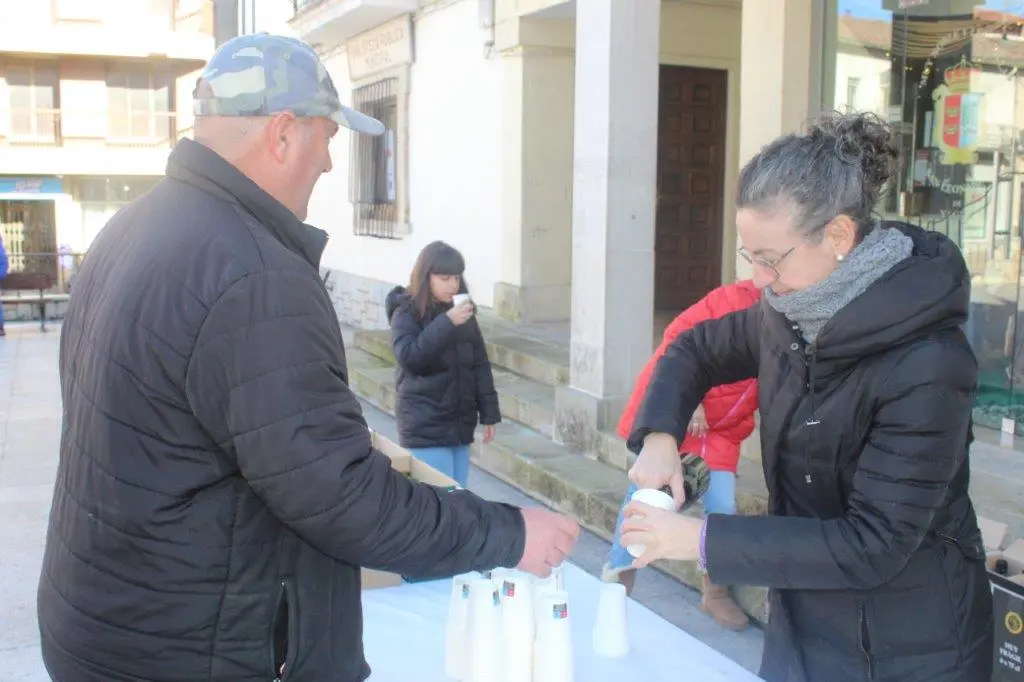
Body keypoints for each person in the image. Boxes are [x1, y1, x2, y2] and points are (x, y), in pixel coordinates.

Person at [37, 34, 579, 682]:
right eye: (327, 137)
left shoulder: (134, 228)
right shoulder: (253, 275)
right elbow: (342, 499)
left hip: (106, 626)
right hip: (193, 651)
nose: (328, 163)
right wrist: (511, 534)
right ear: (284, 135)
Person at [619, 111, 993, 682]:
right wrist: (662, 434)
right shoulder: (789, 311)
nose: (761, 280)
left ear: (838, 236)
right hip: (802, 620)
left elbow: (874, 543)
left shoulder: (928, 363)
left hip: (910, 647)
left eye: (772, 258)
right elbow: (694, 347)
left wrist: (702, 538)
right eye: (752, 258)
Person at [603, 279, 761, 631]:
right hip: (679, 425)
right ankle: (617, 588)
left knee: (722, 510)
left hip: (724, 433)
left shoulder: (796, 309)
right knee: (644, 505)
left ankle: (715, 593)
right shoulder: (732, 299)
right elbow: (681, 342)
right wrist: (694, 400)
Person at [386, 241, 499, 488]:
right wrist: (446, 323)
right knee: (439, 498)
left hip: (459, 423)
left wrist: (489, 413)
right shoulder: (406, 313)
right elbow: (410, 358)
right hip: (426, 424)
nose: (452, 284)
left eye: (456, 277)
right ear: (426, 277)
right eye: (444, 277)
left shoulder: (463, 311)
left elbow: (479, 362)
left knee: (459, 495)